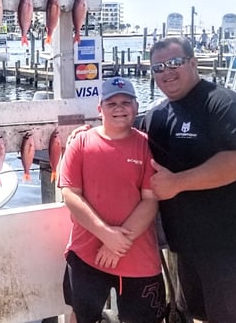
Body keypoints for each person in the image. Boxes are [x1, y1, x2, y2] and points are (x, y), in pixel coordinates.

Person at [145, 36, 236, 322]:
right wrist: (84, 134)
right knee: (199, 314)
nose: (167, 71)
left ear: (193, 62)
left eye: (174, 62)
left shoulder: (223, 103)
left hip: (234, 241)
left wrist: (176, 183)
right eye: (158, 67)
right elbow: (122, 135)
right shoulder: (156, 116)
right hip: (187, 244)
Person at [59, 77, 166, 323]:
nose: (119, 108)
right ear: (100, 109)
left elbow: (150, 200)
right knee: (82, 314)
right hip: (87, 253)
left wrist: (117, 243)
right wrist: (105, 234)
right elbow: (70, 194)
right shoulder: (81, 142)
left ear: (136, 107)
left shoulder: (147, 145)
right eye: (112, 103)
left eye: (126, 102)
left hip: (138, 257)